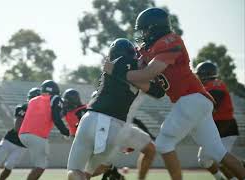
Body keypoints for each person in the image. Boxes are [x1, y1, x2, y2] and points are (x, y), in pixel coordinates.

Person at [103, 7, 245, 180]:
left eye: (145, 29)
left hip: (191, 98)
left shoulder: (170, 41)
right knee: (217, 151)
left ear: (154, 28)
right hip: (197, 101)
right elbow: (138, 67)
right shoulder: (149, 47)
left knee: (163, 144)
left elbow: (148, 73)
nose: (143, 34)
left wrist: (116, 71)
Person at [67, 38, 166, 180]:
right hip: (116, 127)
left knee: (75, 171)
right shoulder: (137, 72)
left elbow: (118, 70)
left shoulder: (115, 65)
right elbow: (158, 92)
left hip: (92, 118)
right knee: (87, 174)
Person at [196, 61, 240, 180]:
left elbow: (213, 106)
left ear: (206, 74)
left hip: (225, 127)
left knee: (220, 158)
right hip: (214, 128)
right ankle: (219, 178)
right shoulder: (206, 87)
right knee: (204, 160)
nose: (198, 77)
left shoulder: (216, 85)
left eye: (200, 74)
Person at [0, 87, 41, 180]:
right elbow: (17, 126)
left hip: (22, 145)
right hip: (10, 139)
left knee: (9, 165)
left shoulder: (41, 114)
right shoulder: (23, 108)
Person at [19, 80, 70, 180]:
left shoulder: (33, 100)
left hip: (23, 135)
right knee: (40, 166)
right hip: (37, 136)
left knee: (38, 164)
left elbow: (44, 114)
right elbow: (56, 118)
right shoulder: (55, 98)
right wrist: (66, 132)